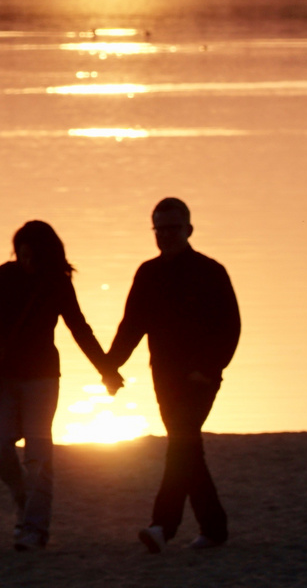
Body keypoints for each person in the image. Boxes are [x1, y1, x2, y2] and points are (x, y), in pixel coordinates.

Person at [105, 196, 242, 553]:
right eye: (159, 229)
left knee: (181, 445)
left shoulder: (211, 271)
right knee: (187, 448)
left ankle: (162, 527)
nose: (165, 235)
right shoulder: (148, 273)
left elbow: (230, 327)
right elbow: (131, 325)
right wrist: (110, 366)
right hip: (163, 377)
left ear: (188, 229)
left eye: (173, 228)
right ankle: (214, 529)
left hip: (201, 379)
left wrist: (209, 368)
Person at [0, 220, 123, 551]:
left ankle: (35, 529)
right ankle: (23, 499)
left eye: (31, 255)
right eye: (21, 254)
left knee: (38, 456)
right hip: (5, 377)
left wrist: (107, 370)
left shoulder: (56, 283)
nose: (25, 261)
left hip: (43, 378)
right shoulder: (2, 277)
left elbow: (79, 327)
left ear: (45, 254)